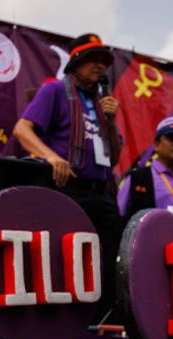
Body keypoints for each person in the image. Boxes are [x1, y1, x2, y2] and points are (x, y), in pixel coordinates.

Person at [13, 33, 123, 320]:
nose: (100, 66)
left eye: (103, 61)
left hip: (101, 191)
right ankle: (62, 320)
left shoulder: (103, 104)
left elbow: (116, 157)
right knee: (66, 258)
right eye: (93, 60)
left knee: (109, 261)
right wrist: (50, 156)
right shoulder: (55, 91)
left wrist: (111, 120)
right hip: (68, 187)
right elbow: (22, 130)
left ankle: (100, 320)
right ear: (76, 63)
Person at [117, 116, 173, 223]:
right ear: (156, 145)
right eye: (172, 138)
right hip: (148, 239)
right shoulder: (136, 179)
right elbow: (118, 216)